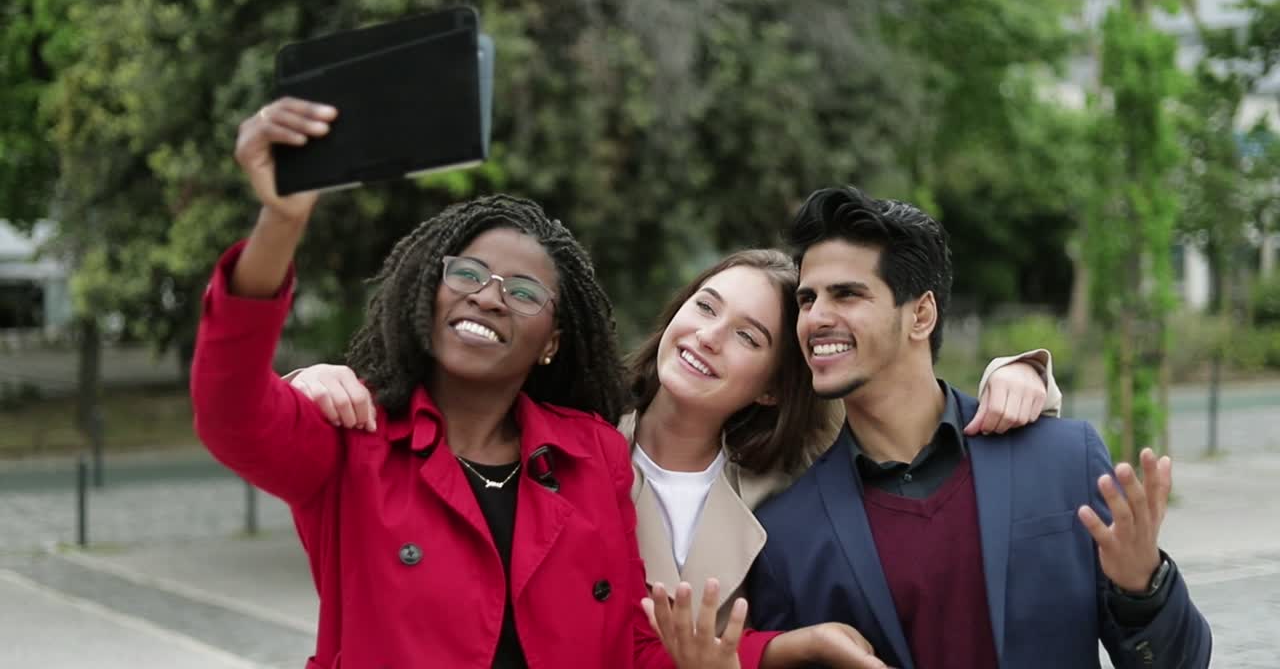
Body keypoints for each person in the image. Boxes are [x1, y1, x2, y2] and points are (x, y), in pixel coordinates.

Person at [192, 97, 770, 669]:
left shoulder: (593, 455)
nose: (488, 296)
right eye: (466, 274)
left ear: (551, 342)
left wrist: (774, 652)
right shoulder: (353, 433)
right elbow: (231, 415)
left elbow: (629, 644)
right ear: (429, 293)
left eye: (522, 293)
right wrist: (282, 221)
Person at [289, 249, 1060, 665]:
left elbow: (904, 420)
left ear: (770, 389)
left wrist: (1019, 376)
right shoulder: (569, 437)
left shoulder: (791, 482)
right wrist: (308, 382)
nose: (707, 337)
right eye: (704, 307)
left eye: (750, 338)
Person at [745, 187, 1213, 669]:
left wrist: (1144, 587)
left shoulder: (1064, 461)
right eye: (806, 299)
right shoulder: (786, 536)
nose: (816, 317)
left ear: (921, 315)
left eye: (846, 294)